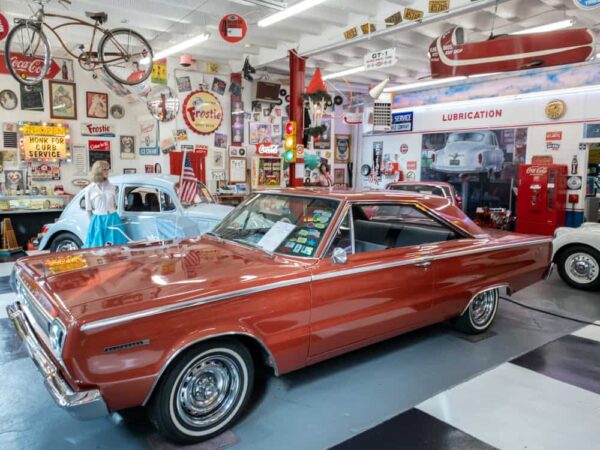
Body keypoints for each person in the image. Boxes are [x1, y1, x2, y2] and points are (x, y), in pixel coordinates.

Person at [83, 161, 128, 248]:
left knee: (116, 245)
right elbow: (88, 210)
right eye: (104, 169)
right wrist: (93, 225)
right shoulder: (89, 189)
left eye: (107, 169)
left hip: (113, 217)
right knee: (98, 247)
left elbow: (116, 204)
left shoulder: (112, 186)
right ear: (97, 171)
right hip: (98, 220)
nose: (107, 172)